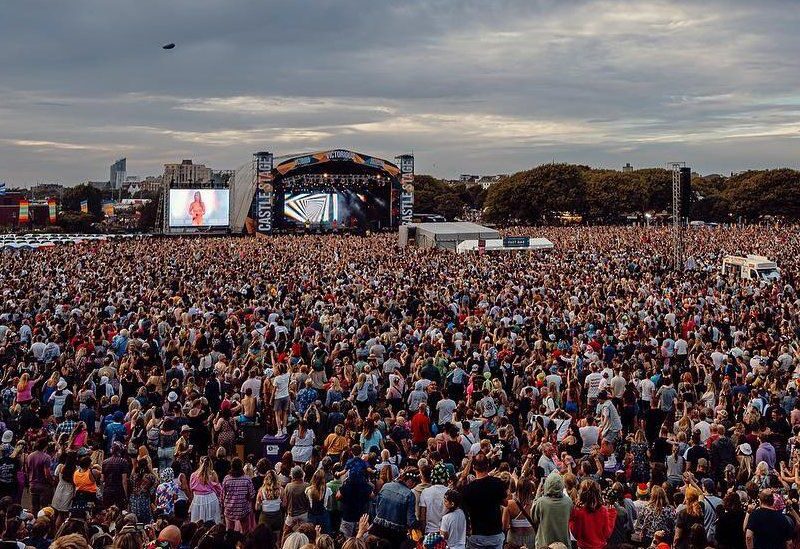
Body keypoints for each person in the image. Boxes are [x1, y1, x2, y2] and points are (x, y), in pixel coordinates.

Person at [461, 454, 507, 549]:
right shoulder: (497, 483)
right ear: (488, 465)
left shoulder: (468, 489)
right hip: (495, 534)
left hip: (477, 534)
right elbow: (505, 503)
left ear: (473, 468)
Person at [370, 468, 419, 549]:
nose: (414, 486)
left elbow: (376, 507)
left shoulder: (386, 486)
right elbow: (410, 521)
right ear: (411, 481)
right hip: (395, 535)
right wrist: (418, 524)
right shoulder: (409, 495)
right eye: (415, 484)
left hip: (377, 529)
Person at [568, 479, 615, 549]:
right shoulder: (603, 510)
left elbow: (575, 533)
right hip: (600, 547)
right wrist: (611, 514)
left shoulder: (579, 511)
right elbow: (607, 534)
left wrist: (572, 516)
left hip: (583, 546)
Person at [531, 472, 573, 549]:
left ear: (547, 485)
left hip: (544, 544)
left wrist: (537, 496)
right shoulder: (568, 501)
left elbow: (534, 518)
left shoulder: (541, 502)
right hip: (564, 544)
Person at [222, 458, 256, 533]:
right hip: (243, 509)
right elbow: (252, 495)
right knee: (245, 532)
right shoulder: (247, 479)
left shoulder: (226, 479)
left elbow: (223, 495)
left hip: (229, 510)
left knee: (229, 532)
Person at [190, 456, 223, 524]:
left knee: (197, 522)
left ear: (200, 463)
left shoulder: (193, 475)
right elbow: (219, 489)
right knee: (212, 522)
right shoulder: (213, 474)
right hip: (211, 499)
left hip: (198, 499)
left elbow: (191, 489)